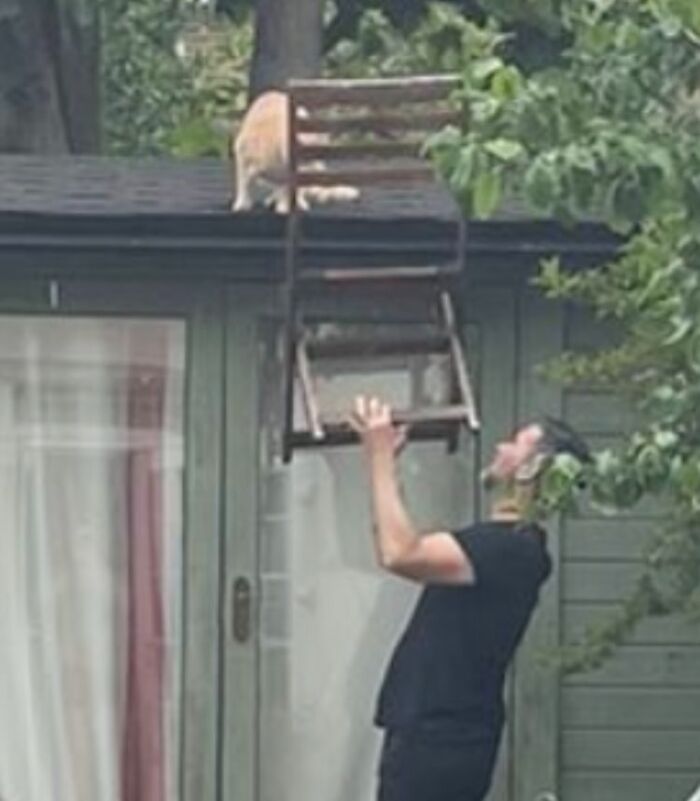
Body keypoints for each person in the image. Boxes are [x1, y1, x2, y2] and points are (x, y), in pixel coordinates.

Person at [347, 395, 591, 801]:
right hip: (435, 734)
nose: (500, 447)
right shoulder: (505, 546)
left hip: (440, 739)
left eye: (515, 443)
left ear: (531, 468)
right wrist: (386, 464)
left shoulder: (511, 550)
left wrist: (379, 456)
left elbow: (399, 553)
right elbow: (396, 543)